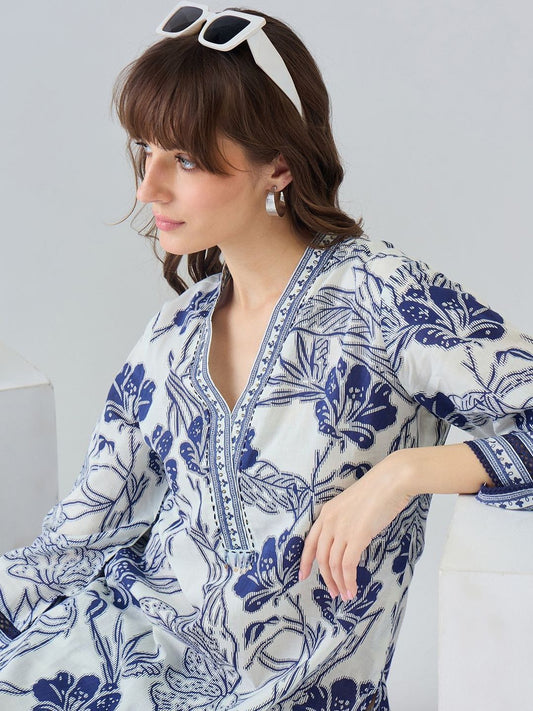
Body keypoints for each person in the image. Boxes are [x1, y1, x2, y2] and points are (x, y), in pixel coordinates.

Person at [0, 4, 532, 709]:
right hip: (116, 657)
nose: (148, 188)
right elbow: (78, 537)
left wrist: (405, 473)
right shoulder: (171, 335)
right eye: (146, 151)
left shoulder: (381, 297)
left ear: (278, 166)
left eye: (186, 159)